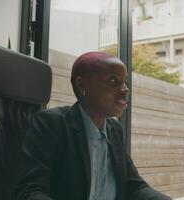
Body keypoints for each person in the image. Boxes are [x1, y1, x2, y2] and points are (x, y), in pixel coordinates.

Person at [16, 52, 172, 200]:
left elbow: (134, 186)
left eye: (125, 82)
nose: (125, 90)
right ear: (81, 85)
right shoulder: (51, 124)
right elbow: (30, 191)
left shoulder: (114, 129)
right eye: (113, 81)